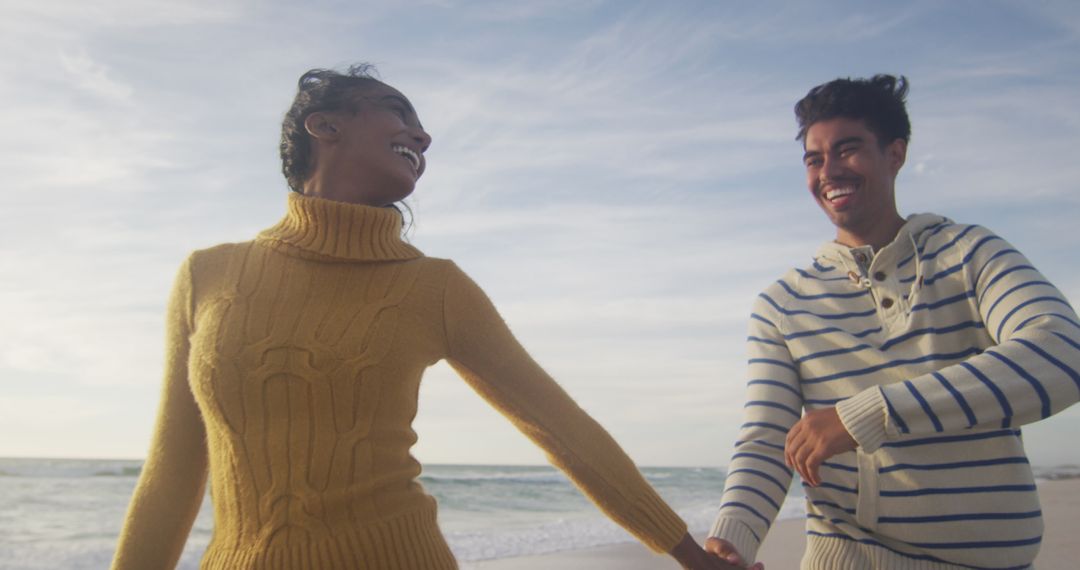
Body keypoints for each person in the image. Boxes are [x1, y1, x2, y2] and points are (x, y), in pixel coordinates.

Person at [110, 65, 737, 570]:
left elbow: (561, 428)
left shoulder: (434, 287)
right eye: (398, 111)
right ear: (323, 125)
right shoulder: (208, 275)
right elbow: (172, 470)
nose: (425, 135)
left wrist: (687, 555)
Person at [704, 74, 1080, 569]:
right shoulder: (782, 304)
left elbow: (1061, 351)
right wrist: (732, 539)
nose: (829, 171)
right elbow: (769, 438)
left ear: (896, 154)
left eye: (848, 149)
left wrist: (864, 416)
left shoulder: (970, 253)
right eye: (814, 159)